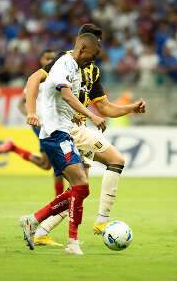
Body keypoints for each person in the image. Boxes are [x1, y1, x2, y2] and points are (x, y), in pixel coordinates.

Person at [24, 23, 146, 246]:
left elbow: (106, 108)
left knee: (78, 189)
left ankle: (40, 229)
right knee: (115, 161)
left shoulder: (93, 70)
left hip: (76, 127)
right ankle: (101, 221)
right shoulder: (65, 60)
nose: (98, 49)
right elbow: (34, 80)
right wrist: (32, 111)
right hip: (68, 128)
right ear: (84, 43)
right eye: (96, 43)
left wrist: (130, 108)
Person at [19, 33, 104, 255]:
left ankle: (34, 220)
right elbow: (65, 95)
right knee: (82, 186)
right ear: (83, 49)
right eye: (92, 56)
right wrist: (92, 116)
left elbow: (65, 101)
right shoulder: (64, 63)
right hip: (55, 134)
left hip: (62, 132)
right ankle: (72, 242)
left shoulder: (74, 67)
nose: (92, 61)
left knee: (80, 188)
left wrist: (75, 116)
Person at [0, 49, 65, 197]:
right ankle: (59, 202)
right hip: (41, 126)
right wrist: (31, 115)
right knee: (57, 163)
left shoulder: (60, 79)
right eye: (46, 58)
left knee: (46, 164)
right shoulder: (36, 79)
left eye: (52, 59)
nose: (49, 61)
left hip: (57, 124)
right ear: (41, 61)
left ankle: (14, 148)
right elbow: (21, 104)